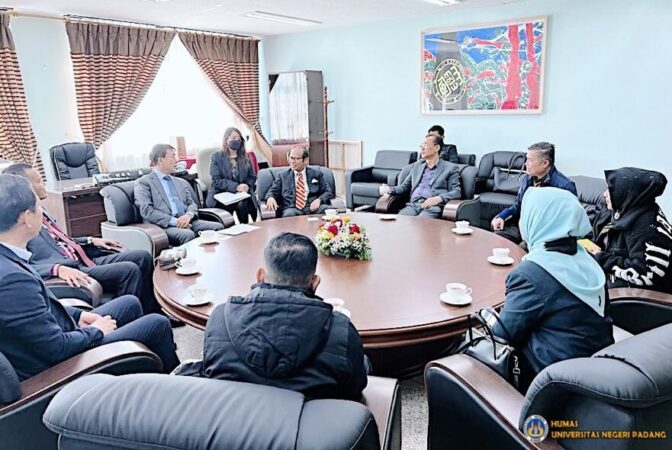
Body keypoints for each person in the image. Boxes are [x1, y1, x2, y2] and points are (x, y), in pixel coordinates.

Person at [0, 174, 179, 380]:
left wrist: (77, 316)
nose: (42, 210)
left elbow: (38, 311)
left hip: (60, 334)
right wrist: (96, 331)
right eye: (37, 207)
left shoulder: (9, 257)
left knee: (129, 303)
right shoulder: (12, 281)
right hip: (61, 368)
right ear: (25, 218)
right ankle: (175, 384)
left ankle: (139, 373)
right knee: (157, 324)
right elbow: (56, 349)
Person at [181, 232, 369, 400]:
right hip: (308, 435)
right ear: (315, 282)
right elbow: (354, 389)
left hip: (234, 432)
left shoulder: (219, 319)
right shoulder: (341, 332)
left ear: (260, 276)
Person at [492, 187, 614, 387]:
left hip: (551, 381)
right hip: (594, 368)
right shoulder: (587, 259)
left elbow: (503, 335)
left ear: (538, 219)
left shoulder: (531, 274)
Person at [2, 163, 160, 315]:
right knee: (128, 269)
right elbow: (21, 265)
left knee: (142, 256)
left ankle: (152, 309)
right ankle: (132, 316)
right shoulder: (20, 227)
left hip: (81, 258)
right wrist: (56, 269)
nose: (44, 184)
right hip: (72, 268)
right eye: (39, 181)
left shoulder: (41, 212)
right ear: (25, 187)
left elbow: (61, 241)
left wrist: (91, 240)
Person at [589, 168, 672, 294]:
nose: (604, 194)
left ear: (626, 193)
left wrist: (601, 258)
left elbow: (646, 274)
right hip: (614, 275)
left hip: (642, 297)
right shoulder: (622, 209)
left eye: (610, 190)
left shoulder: (647, 227)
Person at [135, 144, 224, 245]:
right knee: (187, 234)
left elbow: (191, 203)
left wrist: (188, 216)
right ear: (160, 160)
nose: (176, 160)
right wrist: (175, 222)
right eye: (172, 156)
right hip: (163, 226)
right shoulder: (143, 183)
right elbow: (147, 211)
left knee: (218, 227)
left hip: (187, 221)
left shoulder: (180, 182)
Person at [491, 142, 577, 244]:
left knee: (520, 250)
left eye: (530, 160)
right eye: (526, 159)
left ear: (545, 163)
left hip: (545, 235)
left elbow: (567, 223)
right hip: (522, 227)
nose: (526, 164)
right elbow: (518, 205)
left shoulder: (565, 187)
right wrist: (501, 216)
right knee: (496, 240)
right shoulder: (528, 179)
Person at [379, 134, 461, 218]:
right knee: (400, 221)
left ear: (436, 148)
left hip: (432, 207)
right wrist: (389, 189)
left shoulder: (450, 168)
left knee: (420, 224)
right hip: (413, 205)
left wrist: (438, 198)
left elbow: (456, 192)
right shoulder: (417, 166)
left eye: (425, 144)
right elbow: (404, 187)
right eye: (421, 145)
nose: (422, 148)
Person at [206, 127, 258, 224]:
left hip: (242, 194)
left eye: (239, 139)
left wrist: (247, 185)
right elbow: (216, 180)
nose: (236, 141)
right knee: (227, 212)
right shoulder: (216, 157)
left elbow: (252, 176)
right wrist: (236, 187)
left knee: (243, 204)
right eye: (233, 138)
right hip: (222, 193)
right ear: (226, 140)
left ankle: (245, 230)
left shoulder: (246, 156)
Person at [265, 146, 335, 217]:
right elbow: (272, 191)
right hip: (292, 208)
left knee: (330, 211)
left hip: (312, 207)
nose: (293, 161)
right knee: (288, 215)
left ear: (305, 160)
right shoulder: (282, 176)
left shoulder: (316, 174)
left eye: (297, 159)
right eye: (291, 158)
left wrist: (319, 200)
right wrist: (270, 197)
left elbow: (328, 191)